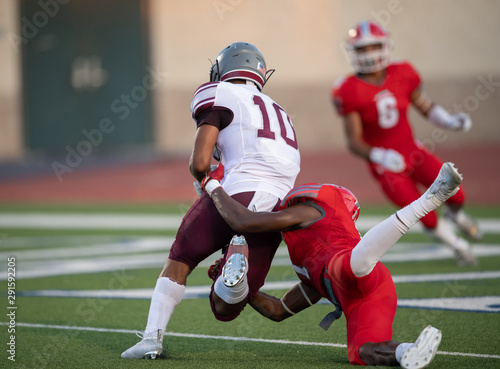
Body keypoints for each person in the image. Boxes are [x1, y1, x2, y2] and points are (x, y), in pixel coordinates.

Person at [121, 42, 300, 359]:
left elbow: (200, 162)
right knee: (225, 308)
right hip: (276, 209)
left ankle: (151, 339)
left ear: (222, 70)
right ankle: (235, 271)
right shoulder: (280, 111)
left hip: (236, 191)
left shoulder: (219, 93)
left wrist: (207, 180)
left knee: (181, 258)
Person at [202, 161, 463, 368]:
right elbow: (278, 310)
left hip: (357, 271)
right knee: (362, 353)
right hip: (366, 295)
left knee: (349, 267)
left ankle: (432, 197)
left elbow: (243, 221)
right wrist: (244, 287)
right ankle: (408, 351)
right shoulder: (311, 277)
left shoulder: (311, 211)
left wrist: (213, 186)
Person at [331, 20, 481, 266]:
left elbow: (425, 106)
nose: (368, 54)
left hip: (413, 150)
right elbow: (354, 142)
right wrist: (380, 156)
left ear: (385, 46)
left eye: (373, 47)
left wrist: (449, 121)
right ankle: (459, 247)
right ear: (353, 53)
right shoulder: (348, 89)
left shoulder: (403, 72)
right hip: (385, 166)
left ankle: (457, 216)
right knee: (426, 215)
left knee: (456, 193)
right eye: (362, 49)